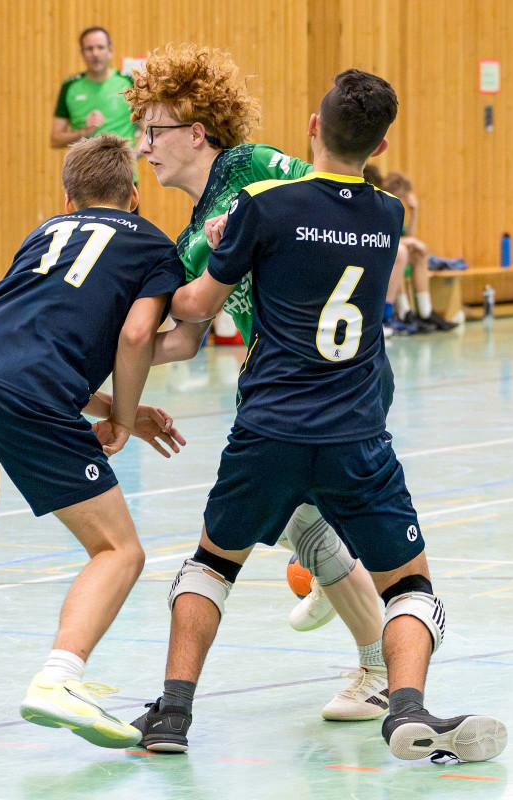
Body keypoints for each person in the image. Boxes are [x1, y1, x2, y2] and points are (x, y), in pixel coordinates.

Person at [132, 69, 509, 764]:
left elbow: (193, 308)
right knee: (410, 585)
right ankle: (406, 705)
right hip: (353, 426)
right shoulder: (388, 216)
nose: (144, 146)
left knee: (211, 566)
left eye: (153, 132)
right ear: (381, 145)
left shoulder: (258, 196)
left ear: (312, 127)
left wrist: (157, 284)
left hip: (272, 420)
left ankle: (173, 714)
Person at [123, 44, 391, 724]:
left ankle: (376, 663)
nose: (143, 147)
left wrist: (251, 222)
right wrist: (92, 359)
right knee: (304, 519)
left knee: (301, 522)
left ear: (195, 132)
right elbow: (182, 339)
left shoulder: (253, 168)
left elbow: (326, 194)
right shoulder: (188, 242)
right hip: (277, 386)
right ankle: (352, 611)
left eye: (152, 131)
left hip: (337, 374)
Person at [0, 135, 184, 750]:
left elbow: (26, 341)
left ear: (67, 198)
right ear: (134, 195)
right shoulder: (152, 245)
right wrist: (123, 417)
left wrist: (114, 410)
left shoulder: (45, 233)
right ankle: (60, 678)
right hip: (25, 391)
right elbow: (136, 337)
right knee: (119, 550)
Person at [364, 166, 457, 333]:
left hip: (390, 252)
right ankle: (397, 313)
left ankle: (425, 311)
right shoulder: (381, 203)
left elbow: (407, 235)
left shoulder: (393, 208)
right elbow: (384, 238)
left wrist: (414, 212)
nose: (402, 201)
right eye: (401, 197)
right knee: (398, 254)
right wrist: (408, 241)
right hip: (377, 254)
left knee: (419, 253)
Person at [51, 28, 140, 151]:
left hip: (122, 163)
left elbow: (147, 127)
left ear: (110, 50)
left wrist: (133, 156)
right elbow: (55, 140)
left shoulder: (130, 82)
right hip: (84, 163)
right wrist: (85, 132)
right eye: (89, 49)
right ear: (82, 53)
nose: (95, 54)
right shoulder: (70, 87)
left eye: (100, 47)